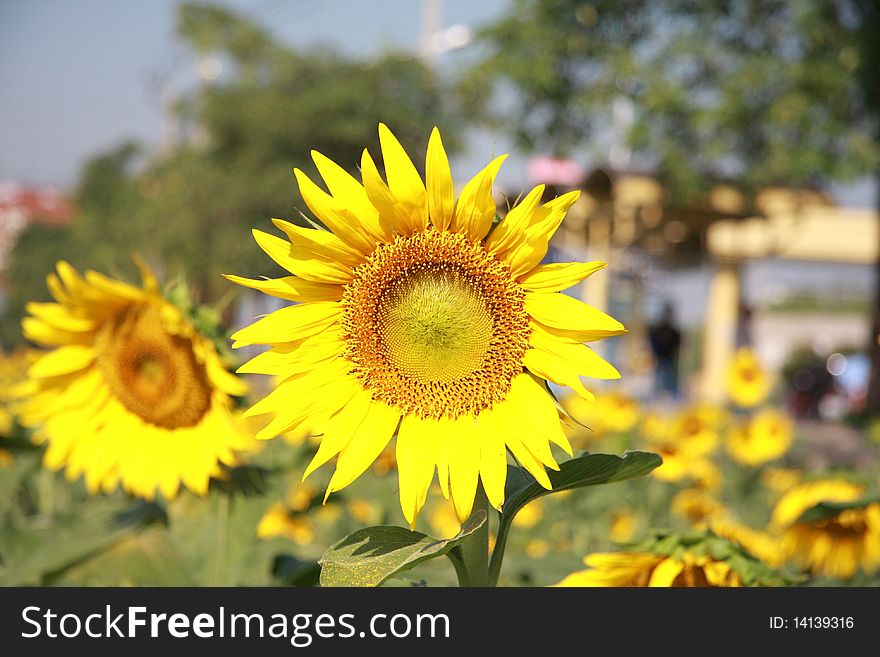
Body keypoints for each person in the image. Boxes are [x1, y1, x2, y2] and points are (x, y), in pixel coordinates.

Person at [648, 302, 682, 398]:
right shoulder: (661, 329)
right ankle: (661, 398)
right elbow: (653, 339)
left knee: (668, 379)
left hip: (668, 357)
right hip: (662, 357)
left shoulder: (671, 330)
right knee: (661, 378)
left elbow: (678, 342)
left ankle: (667, 398)